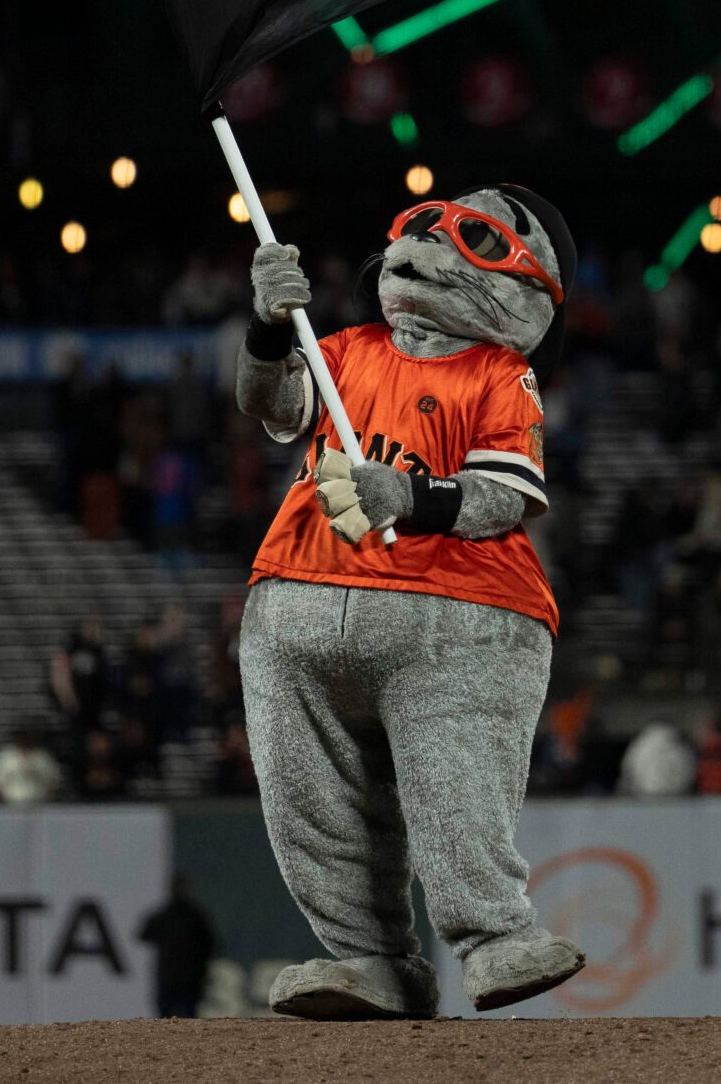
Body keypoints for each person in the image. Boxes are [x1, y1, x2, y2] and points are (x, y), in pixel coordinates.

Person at [229, 189, 586, 1017]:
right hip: (300, 593)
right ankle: (369, 957)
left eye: (471, 236)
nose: (427, 242)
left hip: (455, 614)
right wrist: (269, 327)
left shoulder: (500, 373)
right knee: (309, 798)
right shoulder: (346, 349)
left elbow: (507, 494)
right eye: (416, 225)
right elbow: (272, 404)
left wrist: (408, 495)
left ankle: (493, 935)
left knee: (453, 783)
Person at [137, 875, 219, 1019]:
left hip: (174, 976)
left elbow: (143, 934)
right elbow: (212, 945)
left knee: (170, 1017)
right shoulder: (195, 915)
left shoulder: (172, 915)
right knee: (186, 1016)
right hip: (187, 976)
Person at [0, 726, 64, 804]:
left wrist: (47, 796)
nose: (24, 740)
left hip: (39, 803)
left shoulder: (42, 757)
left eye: (27, 737)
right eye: (22, 737)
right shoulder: (4, 757)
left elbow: (54, 779)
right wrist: (3, 799)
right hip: (11, 803)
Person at [618, 719, 696, 796]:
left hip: (644, 798)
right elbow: (688, 771)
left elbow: (629, 772)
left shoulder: (639, 745)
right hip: (676, 798)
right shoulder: (680, 746)